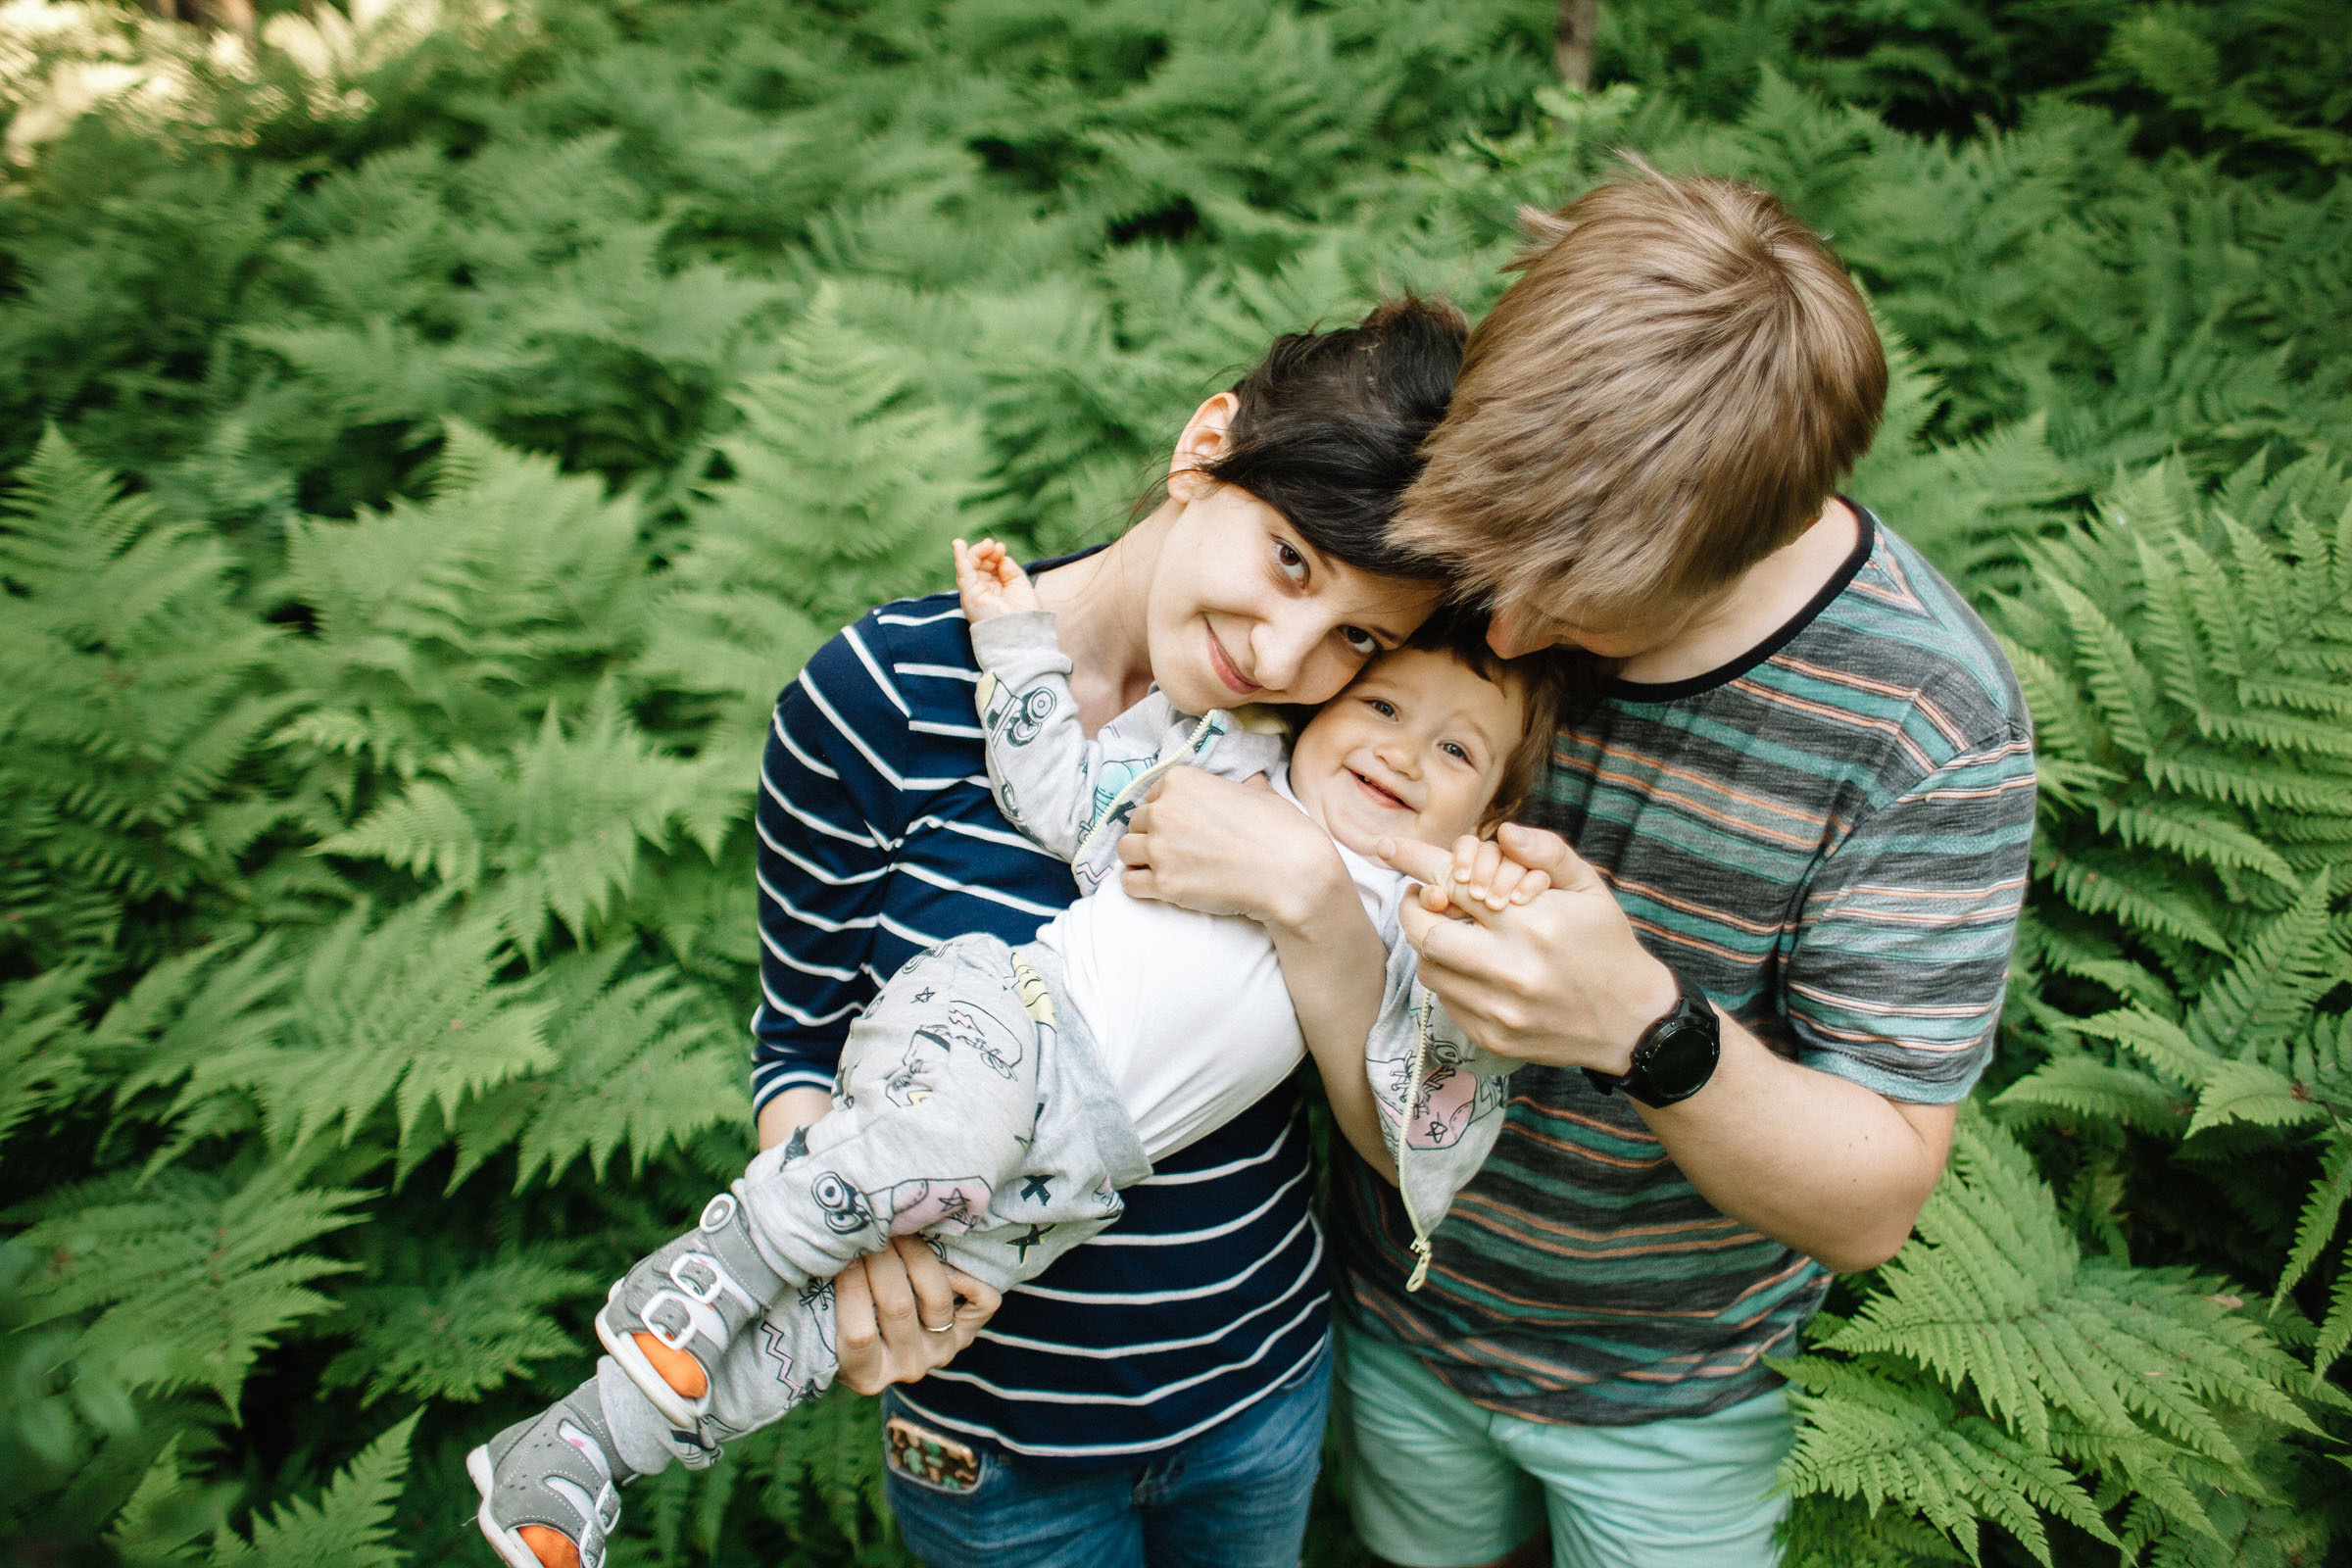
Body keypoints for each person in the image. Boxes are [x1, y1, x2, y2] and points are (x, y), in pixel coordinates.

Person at [1118, 169, 2036, 1568]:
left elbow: (1875, 1198)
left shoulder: (1926, 725)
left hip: (1678, 1392)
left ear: (1753, 540)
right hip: (1385, 1312)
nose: (1514, 622)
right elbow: (1224, 572)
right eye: (1496, 563)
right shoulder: (1495, 521)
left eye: (1582, 601)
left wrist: (1643, 1033)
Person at [473, 298, 1467, 1568]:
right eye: (1288, 559)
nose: (1283, 652)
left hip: (1253, 1389)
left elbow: (1411, 1143)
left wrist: (1319, 904)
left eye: (1359, 636)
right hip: (989, 1434)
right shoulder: (881, 697)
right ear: (1207, 445)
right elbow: (799, 1035)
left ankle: (573, 1449)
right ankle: (613, 1409)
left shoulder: (1340, 745)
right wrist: (859, 1231)